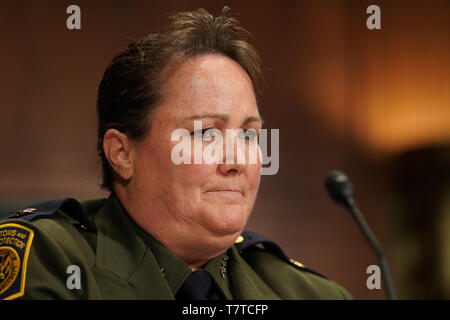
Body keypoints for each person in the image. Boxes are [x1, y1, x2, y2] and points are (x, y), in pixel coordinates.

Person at [0, 7, 352, 300]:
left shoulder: (313, 295)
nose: (236, 162)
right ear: (122, 153)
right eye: (204, 133)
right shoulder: (49, 261)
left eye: (248, 135)